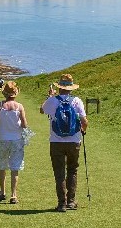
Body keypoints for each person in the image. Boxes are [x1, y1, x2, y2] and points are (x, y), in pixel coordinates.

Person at [40, 74, 88, 212]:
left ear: (59, 87)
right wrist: (83, 131)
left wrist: (50, 97)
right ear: (71, 88)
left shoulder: (53, 101)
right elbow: (84, 121)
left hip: (56, 141)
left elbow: (42, 110)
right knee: (72, 170)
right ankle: (71, 202)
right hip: (74, 140)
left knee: (59, 172)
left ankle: (62, 203)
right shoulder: (77, 101)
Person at [0, 81, 29, 204]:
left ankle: (2, 191)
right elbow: (25, 124)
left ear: (5, 93)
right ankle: (14, 195)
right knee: (15, 167)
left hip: (2, 138)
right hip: (16, 139)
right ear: (15, 94)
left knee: (2, 165)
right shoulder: (20, 107)